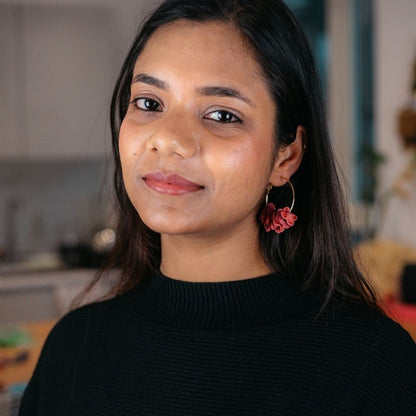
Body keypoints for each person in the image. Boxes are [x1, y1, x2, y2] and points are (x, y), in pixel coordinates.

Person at [19, 0, 416, 415]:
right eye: (149, 103)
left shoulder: (373, 364)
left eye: (223, 114)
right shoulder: (73, 351)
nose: (168, 139)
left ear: (287, 157)